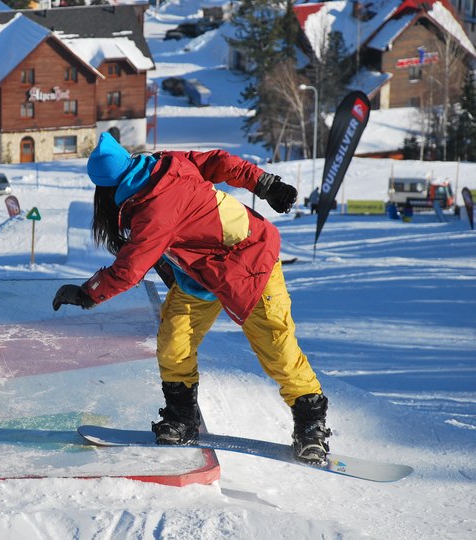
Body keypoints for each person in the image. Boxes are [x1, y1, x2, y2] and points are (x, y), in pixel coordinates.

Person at [52, 132, 331, 464]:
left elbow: (130, 268)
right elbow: (218, 161)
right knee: (174, 343)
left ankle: (310, 424)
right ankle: (182, 418)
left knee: (276, 348)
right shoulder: (160, 163)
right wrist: (263, 183)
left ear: (108, 188)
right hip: (199, 273)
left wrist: (87, 294)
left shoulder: (154, 209)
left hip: (249, 263)